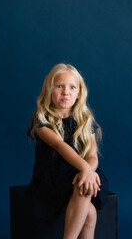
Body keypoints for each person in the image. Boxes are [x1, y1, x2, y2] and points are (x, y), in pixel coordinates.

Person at [26, 63, 108, 239]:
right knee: (87, 203)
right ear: (49, 90)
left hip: (78, 174)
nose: (66, 92)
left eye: (72, 87)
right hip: (51, 181)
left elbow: (92, 156)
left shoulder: (85, 120)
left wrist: (88, 170)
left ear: (79, 93)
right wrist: (85, 169)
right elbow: (59, 146)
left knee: (86, 199)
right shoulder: (41, 120)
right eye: (59, 86)